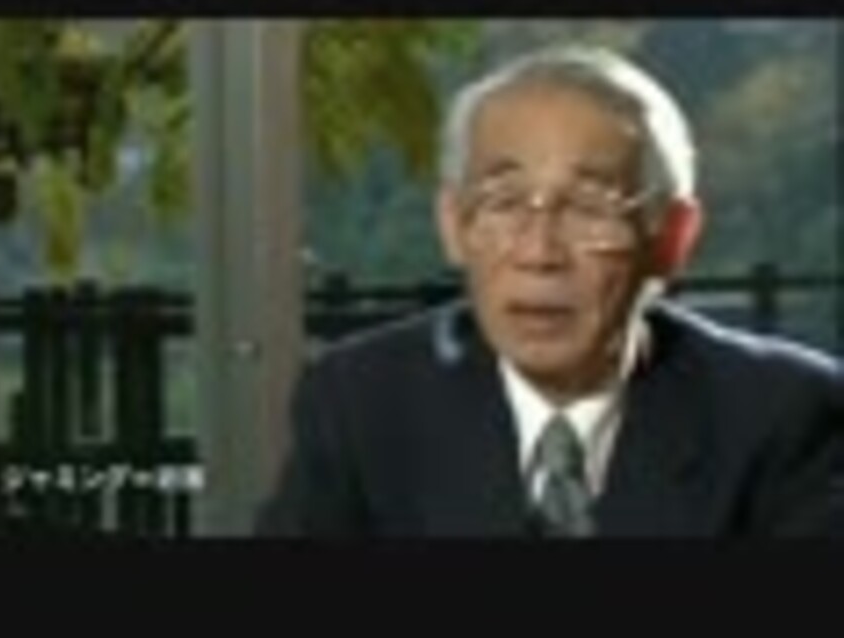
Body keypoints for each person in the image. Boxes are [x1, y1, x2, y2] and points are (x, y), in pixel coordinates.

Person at [255, 44, 844, 537]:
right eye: (504, 202)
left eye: (590, 207)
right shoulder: (362, 404)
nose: (539, 253)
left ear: (672, 238)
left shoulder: (784, 416)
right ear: (453, 226)